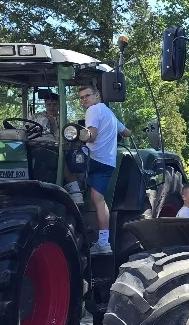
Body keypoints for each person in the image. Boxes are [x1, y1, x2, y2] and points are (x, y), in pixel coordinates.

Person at [78, 84, 131, 255]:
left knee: (64, 157)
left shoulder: (93, 110)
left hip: (92, 159)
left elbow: (91, 136)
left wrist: (79, 135)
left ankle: (73, 192)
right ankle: (103, 243)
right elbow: (127, 132)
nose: (85, 99)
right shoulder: (110, 113)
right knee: (98, 199)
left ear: (97, 96)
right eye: (82, 97)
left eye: (87, 96)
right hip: (108, 162)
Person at [32, 90, 83, 203]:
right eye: (49, 104)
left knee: (61, 157)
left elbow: (63, 141)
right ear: (45, 105)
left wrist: (54, 125)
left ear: (59, 105)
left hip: (54, 148)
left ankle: (74, 190)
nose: (51, 107)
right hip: (33, 146)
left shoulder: (64, 121)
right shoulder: (36, 117)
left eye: (54, 104)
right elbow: (27, 131)